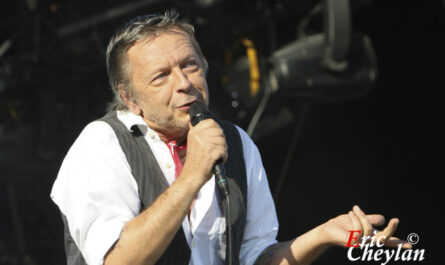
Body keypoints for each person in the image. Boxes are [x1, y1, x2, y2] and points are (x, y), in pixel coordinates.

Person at [50, 11, 411, 265]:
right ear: (130, 98)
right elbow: (118, 260)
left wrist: (322, 236)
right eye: (161, 76)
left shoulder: (236, 142)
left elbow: (257, 257)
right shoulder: (101, 144)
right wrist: (192, 175)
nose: (184, 82)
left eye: (190, 65)